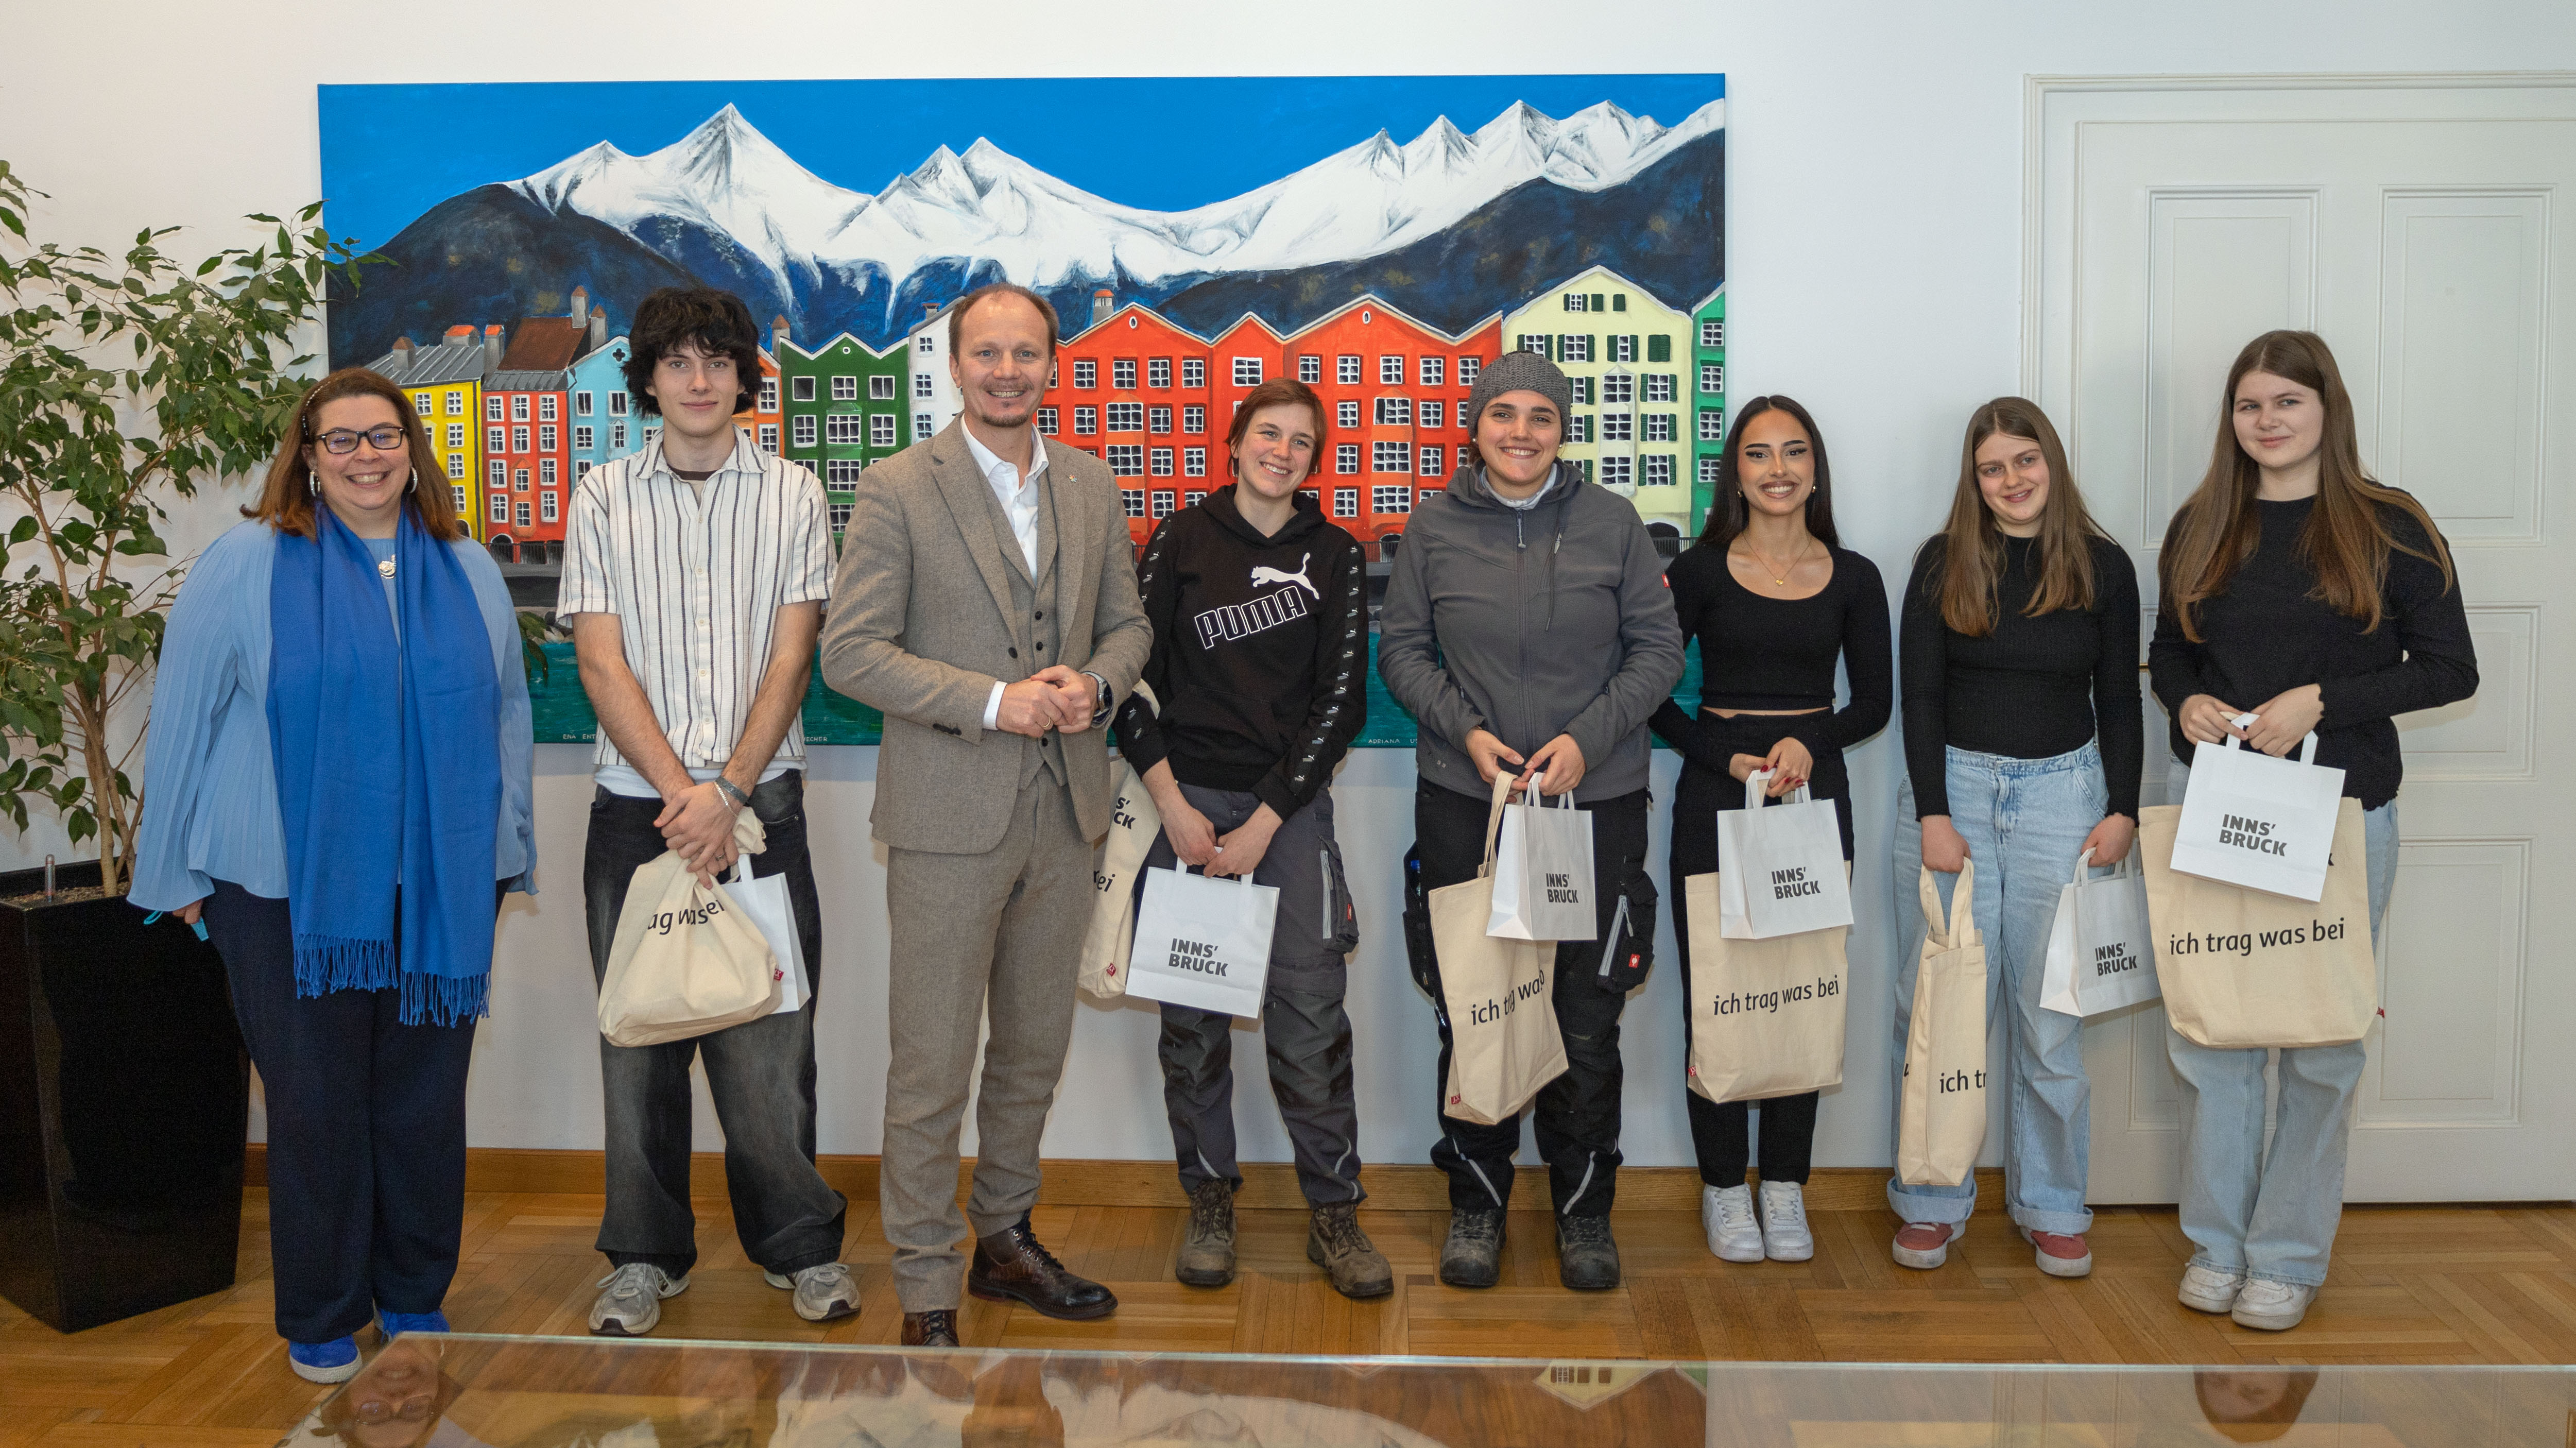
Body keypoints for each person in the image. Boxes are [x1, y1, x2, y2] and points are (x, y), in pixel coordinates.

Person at [131, 368, 534, 1383]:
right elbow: (180, 719)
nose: (366, 455)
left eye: (384, 437)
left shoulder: (468, 569)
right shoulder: (245, 563)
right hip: (277, 887)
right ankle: (320, 1308)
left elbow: (507, 721)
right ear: (306, 455)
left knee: (420, 1101)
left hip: (436, 882)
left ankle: (411, 1293)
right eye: (342, 439)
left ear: (412, 450)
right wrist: (168, 864)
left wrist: (507, 845)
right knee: (313, 1101)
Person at [820, 282, 1153, 1347]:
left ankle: (1002, 1237)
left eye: (1026, 354)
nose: (1006, 371)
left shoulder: (1093, 487)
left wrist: (1094, 688)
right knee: (931, 1059)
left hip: (1069, 814)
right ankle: (925, 1277)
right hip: (944, 816)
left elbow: (1129, 627)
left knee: (1030, 1050)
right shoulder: (896, 487)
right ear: (953, 365)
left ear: (1052, 365)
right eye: (985, 354)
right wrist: (995, 701)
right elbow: (850, 652)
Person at [2150, 329, 2475, 1330]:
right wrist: (2187, 706)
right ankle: (2217, 1240)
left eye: (2285, 403)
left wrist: (2321, 702)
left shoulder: (2390, 525)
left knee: (2322, 1041)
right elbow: (2168, 652)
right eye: (2249, 405)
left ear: (2325, 410)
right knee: (2220, 1037)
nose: (2266, 421)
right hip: (2220, 810)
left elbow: (2447, 670)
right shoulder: (2202, 521)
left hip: (2341, 813)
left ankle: (2285, 1254)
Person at [559, 286, 850, 1336]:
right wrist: (685, 797)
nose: (697, 378)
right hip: (634, 815)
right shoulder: (600, 494)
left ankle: (800, 1247)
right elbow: (598, 657)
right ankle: (643, 1256)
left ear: (742, 377)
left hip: (759, 805)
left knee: (773, 1033)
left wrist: (725, 792)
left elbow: (790, 655)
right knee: (637, 1043)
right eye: (677, 360)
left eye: (718, 360)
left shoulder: (795, 493)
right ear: (646, 377)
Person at [1379, 349, 1685, 1292]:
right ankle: (1476, 1205)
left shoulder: (1613, 524)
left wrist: (1584, 744)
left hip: (1591, 808)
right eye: (1502, 413)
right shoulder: (1431, 527)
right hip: (1468, 804)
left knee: (1585, 1020)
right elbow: (1400, 652)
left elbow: (1657, 650)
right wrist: (1466, 733)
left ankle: (1583, 1213)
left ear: (1563, 429)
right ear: (1473, 426)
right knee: (1478, 1010)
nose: (1520, 431)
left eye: (1540, 417)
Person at [1112, 378, 1384, 1298]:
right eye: (1268, 434)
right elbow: (1129, 684)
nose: (1282, 451)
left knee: (1310, 1024)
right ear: (1235, 444)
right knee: (1190, 1029)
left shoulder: (1335, 555)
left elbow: (1341, 704)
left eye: (1301, 442)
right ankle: (1210, 1201)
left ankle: (1334, 1214)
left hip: (1289, 812)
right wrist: (1174, 810)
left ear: (1316, 460)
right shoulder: (1182, 541)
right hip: (1181, 805)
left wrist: (1268, 816)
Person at [1886, 397, 2139, 1276]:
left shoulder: (2103, 566)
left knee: (2049, 1024)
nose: (2010, 481)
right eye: (1991, 467)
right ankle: (1929, 1199)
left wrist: (2123, 810)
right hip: (1951, 797)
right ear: (1973, 478)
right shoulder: (1939, 562)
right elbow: (1916, 697)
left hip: (2065, 800)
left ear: (2051, 463)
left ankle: (2053, 1203)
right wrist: (1930, 814)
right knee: (1937, 1013)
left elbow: (2118, 697)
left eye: (2024, 461)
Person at [1648, 395, 1891, 1266]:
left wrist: (1806, 740)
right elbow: (1649, 696)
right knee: (1718, 994)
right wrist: (1730, 758)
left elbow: (1873, 702)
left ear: (1814, 468)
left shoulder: (1856, 575)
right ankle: (1722, 1188)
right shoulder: (1699, 572)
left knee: (1802, 988)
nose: (1778, 469)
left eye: (1793, 452)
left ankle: (1784, 1185)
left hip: (1814, 796)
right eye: (1759, 454)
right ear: (1736, 472)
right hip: (1716, 798)